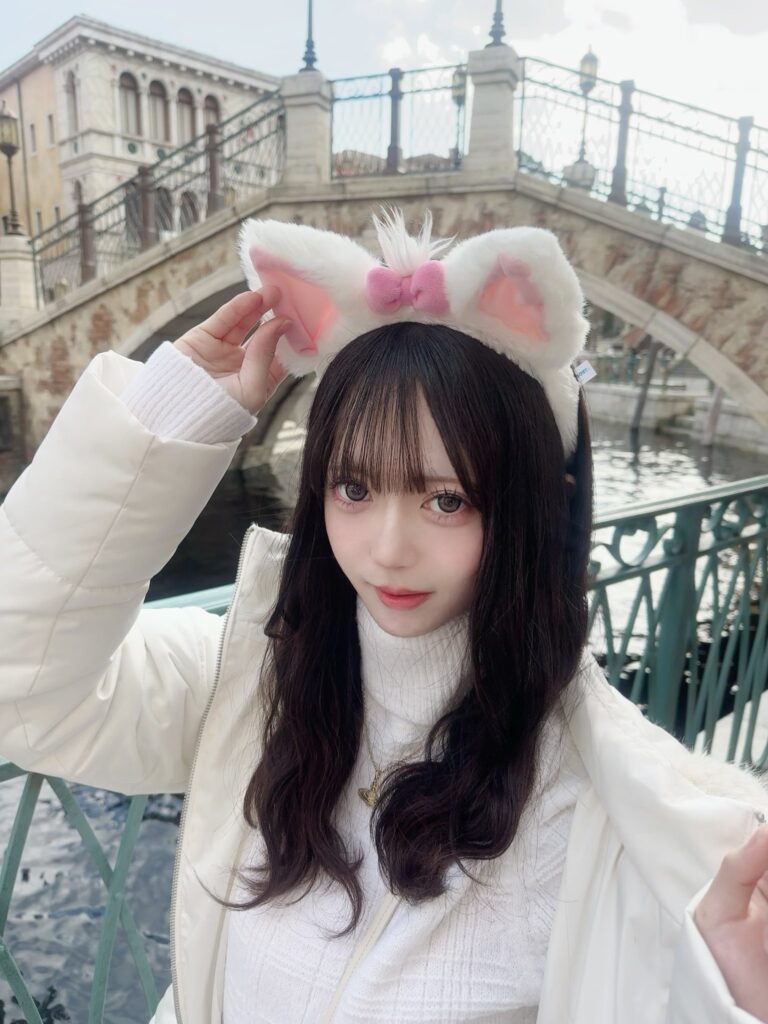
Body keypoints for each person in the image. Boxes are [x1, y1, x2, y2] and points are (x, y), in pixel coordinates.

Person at [0, 207, 766, 1024]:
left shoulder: (613, 812)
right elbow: (23, 684)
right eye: (354, 488)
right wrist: (159, 426)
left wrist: (721, 993)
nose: (388, 551)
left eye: (447, 499)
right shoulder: (242, 683)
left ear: (533, 508)